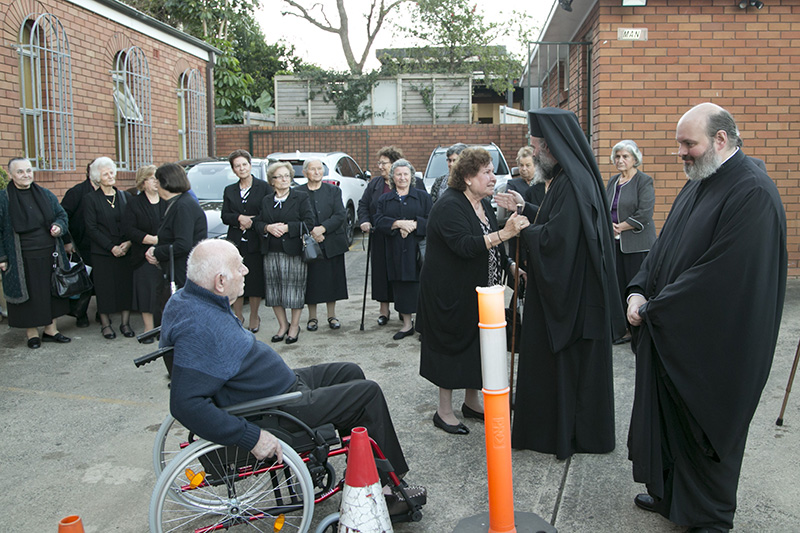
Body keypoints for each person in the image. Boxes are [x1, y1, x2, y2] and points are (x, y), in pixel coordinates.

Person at [161, 239, 425, 512]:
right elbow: (185, 403)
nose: (245, 270)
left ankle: (363, 474)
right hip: (277, 408)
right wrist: (251, 437)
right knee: (367, 394)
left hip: (276, 389)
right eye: (239, 265)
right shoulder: (200, 329)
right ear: (219, 281)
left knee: (350, 371)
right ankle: (385, 491)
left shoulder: (186, 299)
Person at [626, 103, 786, 533]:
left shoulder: (751, 192)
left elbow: (722, 278)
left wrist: (656, 309)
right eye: (681, 143)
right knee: (670, 422)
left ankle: (706, 516)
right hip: (671, 330)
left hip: (715, 346)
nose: (681, 152)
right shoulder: (700, 181)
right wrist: (639, 287)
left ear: (720, 140)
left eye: (688, 143)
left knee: (702, 428)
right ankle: (671, 497)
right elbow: (663, 247)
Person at [497, 107, 626, 459]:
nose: (534, 152)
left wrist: (526, 230)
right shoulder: (569, 178)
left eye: (537, 145)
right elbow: (555, 222)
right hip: (570, 293)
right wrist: (525, 210)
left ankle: (565, 434)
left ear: (554, 146)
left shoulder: (573, 182)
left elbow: (559, 241)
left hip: (573, 301)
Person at [417, 147, 528, 434]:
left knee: (477, 346)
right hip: (449, 293)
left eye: (492, 171)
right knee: (450, 346)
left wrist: (511, 265)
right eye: (487, 172)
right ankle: (443, 411)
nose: (493, 178)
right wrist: (506, 233)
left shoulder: (484, 203)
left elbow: (493, 243)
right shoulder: (449, 206)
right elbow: (466, 246)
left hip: (481, 291)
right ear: (467, 177)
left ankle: (471, 402)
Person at [0, 157, 71, 348]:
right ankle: (32, 334)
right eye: (20, 172)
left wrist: (58, 226)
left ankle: (51, 330)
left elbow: (61, 215)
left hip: (50, 253)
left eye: (29, 171)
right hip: (20, 257)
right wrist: (2, 257)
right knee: (29, 296)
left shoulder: (46, 194)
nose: (26, 175)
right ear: (10, 174)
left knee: (50, 292)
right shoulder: (3, 198)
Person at [357, 146, 425, 326]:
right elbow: (364, 205)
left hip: (410, 241)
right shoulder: (375, 184)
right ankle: (384, 311)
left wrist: (411, 226)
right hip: (382, 236)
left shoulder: (417, 185)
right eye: (379, 163)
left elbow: (427, 212)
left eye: (384, 163)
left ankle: (408, 314)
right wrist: (365, 221)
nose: (380, 166)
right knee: (383, 274)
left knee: (408, 276)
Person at [254, 162, 314, 344]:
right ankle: (283, 325)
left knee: (294, 291)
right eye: (279, 177)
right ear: (271, 181)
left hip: (294, 252)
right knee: (274, 292)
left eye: (287, 176)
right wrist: (267, 227)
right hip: (271, 251)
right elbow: (257, 223)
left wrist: (288, 228)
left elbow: (309, 222)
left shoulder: (301, 197)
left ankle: (294, 326)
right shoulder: (266, 200)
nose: (284, 179)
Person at [605, 140, 656, 345]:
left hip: (637, 244)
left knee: (635, 287)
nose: (620, 160)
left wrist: (621, 226)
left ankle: (639, 329)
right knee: (617, 286)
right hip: (615, 244)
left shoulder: (644, 181)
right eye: (617, 156)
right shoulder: (613, 181)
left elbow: (645, 212)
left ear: (635, 159)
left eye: (625, 156)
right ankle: (622, 328)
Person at [375, 159, 432, 340]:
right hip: (396, 250)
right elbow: (378, 220)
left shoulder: (423, 196)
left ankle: (423, 326)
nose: (402, 178)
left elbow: (432, 219)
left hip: (418, 250)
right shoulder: (385, 199)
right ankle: (407, 325)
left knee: (422, 286)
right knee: (401, 287)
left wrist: (414, 225)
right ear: (393, 177)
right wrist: (397, 224)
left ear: (411, 176)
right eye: (398, 174)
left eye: (406, 174)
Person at [83, 157, 135, 340]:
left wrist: (128, 243)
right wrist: (111, 247)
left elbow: (132, 224)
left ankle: (125, 323)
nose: (110, 176)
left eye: (112, 172)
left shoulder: (125, 197)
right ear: (97, 177)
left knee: (125, 287)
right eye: (105, 173)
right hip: (102, 252)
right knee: (104, 289)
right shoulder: (90, 199)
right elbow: (91, 228)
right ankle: (105, 325)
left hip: (125, 249)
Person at [221, 149, 272, 332]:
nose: (241, 168)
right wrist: (238, 219)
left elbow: (268, 213)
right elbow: (225, 215)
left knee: (254, 280)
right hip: (235, 242)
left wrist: (251, 222)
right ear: (233, 170)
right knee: (235, 279)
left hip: (255, 241)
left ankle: (254, 315)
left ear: (250, 165)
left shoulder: (264, 187)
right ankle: (238, 315)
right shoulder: (229, 190)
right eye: (237, 166)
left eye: (244, 164)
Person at [297, 158, 349, 331]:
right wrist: (313, 232)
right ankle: (312, 318)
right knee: (312, 281)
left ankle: (332, 316)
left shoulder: (333, 190)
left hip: (332, 241)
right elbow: (297, 216)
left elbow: (340, 214)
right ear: (305, 173)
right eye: (313, 169)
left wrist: (323, 229)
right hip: (310, 244)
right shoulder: (298, 192)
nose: (317, 172)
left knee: (331, 280)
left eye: (320, 168)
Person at [145, 163, 207, 292]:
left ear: (166, 182)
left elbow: (183, 244)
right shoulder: (176, 203)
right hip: (178, 271)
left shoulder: (182, 206)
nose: (155, 185)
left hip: (183, 274)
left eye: (157, 181)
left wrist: (156, 252)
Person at [122, 165, 165, 338]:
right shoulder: (134, 203)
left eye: (158, 178)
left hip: (163, 253)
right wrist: (151, 240)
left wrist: (160, 243)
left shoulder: (166, 201)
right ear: (143, 182)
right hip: (142, 255)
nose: (156, 181)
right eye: (152, 178)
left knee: (163, 293)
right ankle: (148, 329)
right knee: (146, 292)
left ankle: (164, 328)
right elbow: (129, 229)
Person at [60, 159, 98, 328]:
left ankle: (101, 313)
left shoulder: (111, 193)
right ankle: (80, 313)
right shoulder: (76, 192)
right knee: (84, 281)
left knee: (101, 281)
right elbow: (62, 217)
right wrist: (67, 241)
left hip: (104, 245)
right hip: (81, 244)